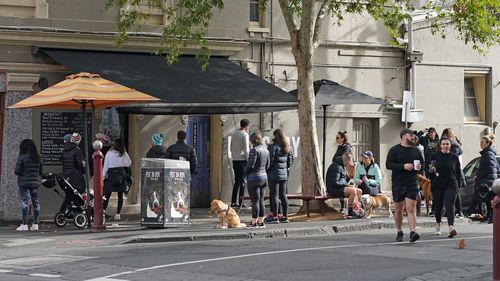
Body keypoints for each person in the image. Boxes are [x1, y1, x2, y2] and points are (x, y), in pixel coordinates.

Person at [386, 128, 424, 242]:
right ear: (403, 136)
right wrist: (403, 166)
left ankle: (413, 232)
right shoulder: (394, 150)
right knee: (398, 209)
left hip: (412, 183)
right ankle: (399, 231)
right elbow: (389, 164)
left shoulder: (416, 150)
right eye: (410, 135)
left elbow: (422, 163)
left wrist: (419, 167)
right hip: (398, 183)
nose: (413, 137)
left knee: (410, 208)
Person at [428, 137, 462, 238]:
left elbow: (458, 173)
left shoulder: (454, 157)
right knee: (438, 206)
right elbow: (428, 170)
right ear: (440, 145)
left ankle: (451, 227)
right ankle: (438, 225)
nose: (445, 146)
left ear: (450, 145)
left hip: (451, 183)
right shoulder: (434, 156)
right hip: (437, 183)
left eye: (447, 144)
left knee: (450, 205)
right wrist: (431, 171)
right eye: (443, 144)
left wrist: (458, 186)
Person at [465, 134, 497, 224]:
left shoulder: (488, 154)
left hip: (487, 180)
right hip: (486, 179)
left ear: (487, 143)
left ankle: (467, 213)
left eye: (482, 142)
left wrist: (478, 175)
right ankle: (490, 216)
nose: (480, 144)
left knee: (478, 197)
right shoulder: (487, 153)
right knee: (486, 199)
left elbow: (490, 168)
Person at [266, 128, 294, 224]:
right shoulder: (288, 147)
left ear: (275, 136)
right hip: (284, 175)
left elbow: (269, 161)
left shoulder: (272, 147)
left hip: (273, 175)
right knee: (283, 195)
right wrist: (285, 169)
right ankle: (285, 216)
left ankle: (275, 216)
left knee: (274, 195)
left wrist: (267, 170)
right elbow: (291, 161)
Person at [14, 139, 42, 231]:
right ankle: (35, 224)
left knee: (25, 203)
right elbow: (41, 172)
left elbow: (17, 171)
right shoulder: (38, 157)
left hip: (24, 183)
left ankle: (25, 224)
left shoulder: (22, 157)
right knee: (36, 203)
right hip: (35, 183)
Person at [244, 132, 270, 228]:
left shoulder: (254, 150)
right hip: (264, 177)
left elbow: (251, 164)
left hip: (254, 178)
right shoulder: (266, 150)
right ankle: (261, 221)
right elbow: (268, 165)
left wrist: (245, 172)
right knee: (261, 201)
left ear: (251, 140)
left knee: (254, 201)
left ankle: (254, 222)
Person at [326, 152, 363, 218]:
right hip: (333, 189)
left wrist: (348, 181)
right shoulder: (336, 167)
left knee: (359, 191)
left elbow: (342, 180)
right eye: (350, 161)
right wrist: (347, 185)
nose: (350, 163)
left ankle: (359, 209)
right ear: (347, 161)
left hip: (339, 188)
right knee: (353, 191)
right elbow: (335, 182)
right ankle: (350, 212)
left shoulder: (342, 166)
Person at [103, 139, 132, 221]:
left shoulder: (109, 153)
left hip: (111, 174)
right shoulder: (123, 153)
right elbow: (129, 163)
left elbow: (106, 165)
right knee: (120, 195)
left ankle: (103, 211)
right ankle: (118, 214)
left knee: (107, 194)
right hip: (121, 174)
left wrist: (103, 176)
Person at [441, 128, 465, 217]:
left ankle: (459, 211)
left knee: (455, 192)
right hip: (452, 172)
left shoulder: (453, 146)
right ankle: (453, 211)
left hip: (454, 172)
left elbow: (454, 160)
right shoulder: (455, 144)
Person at [230, 119, 251, 208]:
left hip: (234, 160)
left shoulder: (234, 134)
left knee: (237, 181)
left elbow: (231, 148)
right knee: (243, 181)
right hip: (242, 160)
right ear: (247, 126)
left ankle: (233, 202)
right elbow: (246, 149)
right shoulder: (245, 135)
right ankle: (241, 202)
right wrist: (248, 159)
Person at [332, 131, 354, 211]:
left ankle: (346, 207)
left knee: (343, 187)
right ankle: (343, 206)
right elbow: (334, 159)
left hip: (346, 171)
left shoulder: (347, 147)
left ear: (343, 139)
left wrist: (338, 159)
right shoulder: (339, 148)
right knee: (340, 187)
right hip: (340, 170)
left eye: (337, 138)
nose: (336, 139)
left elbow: (345, 159)